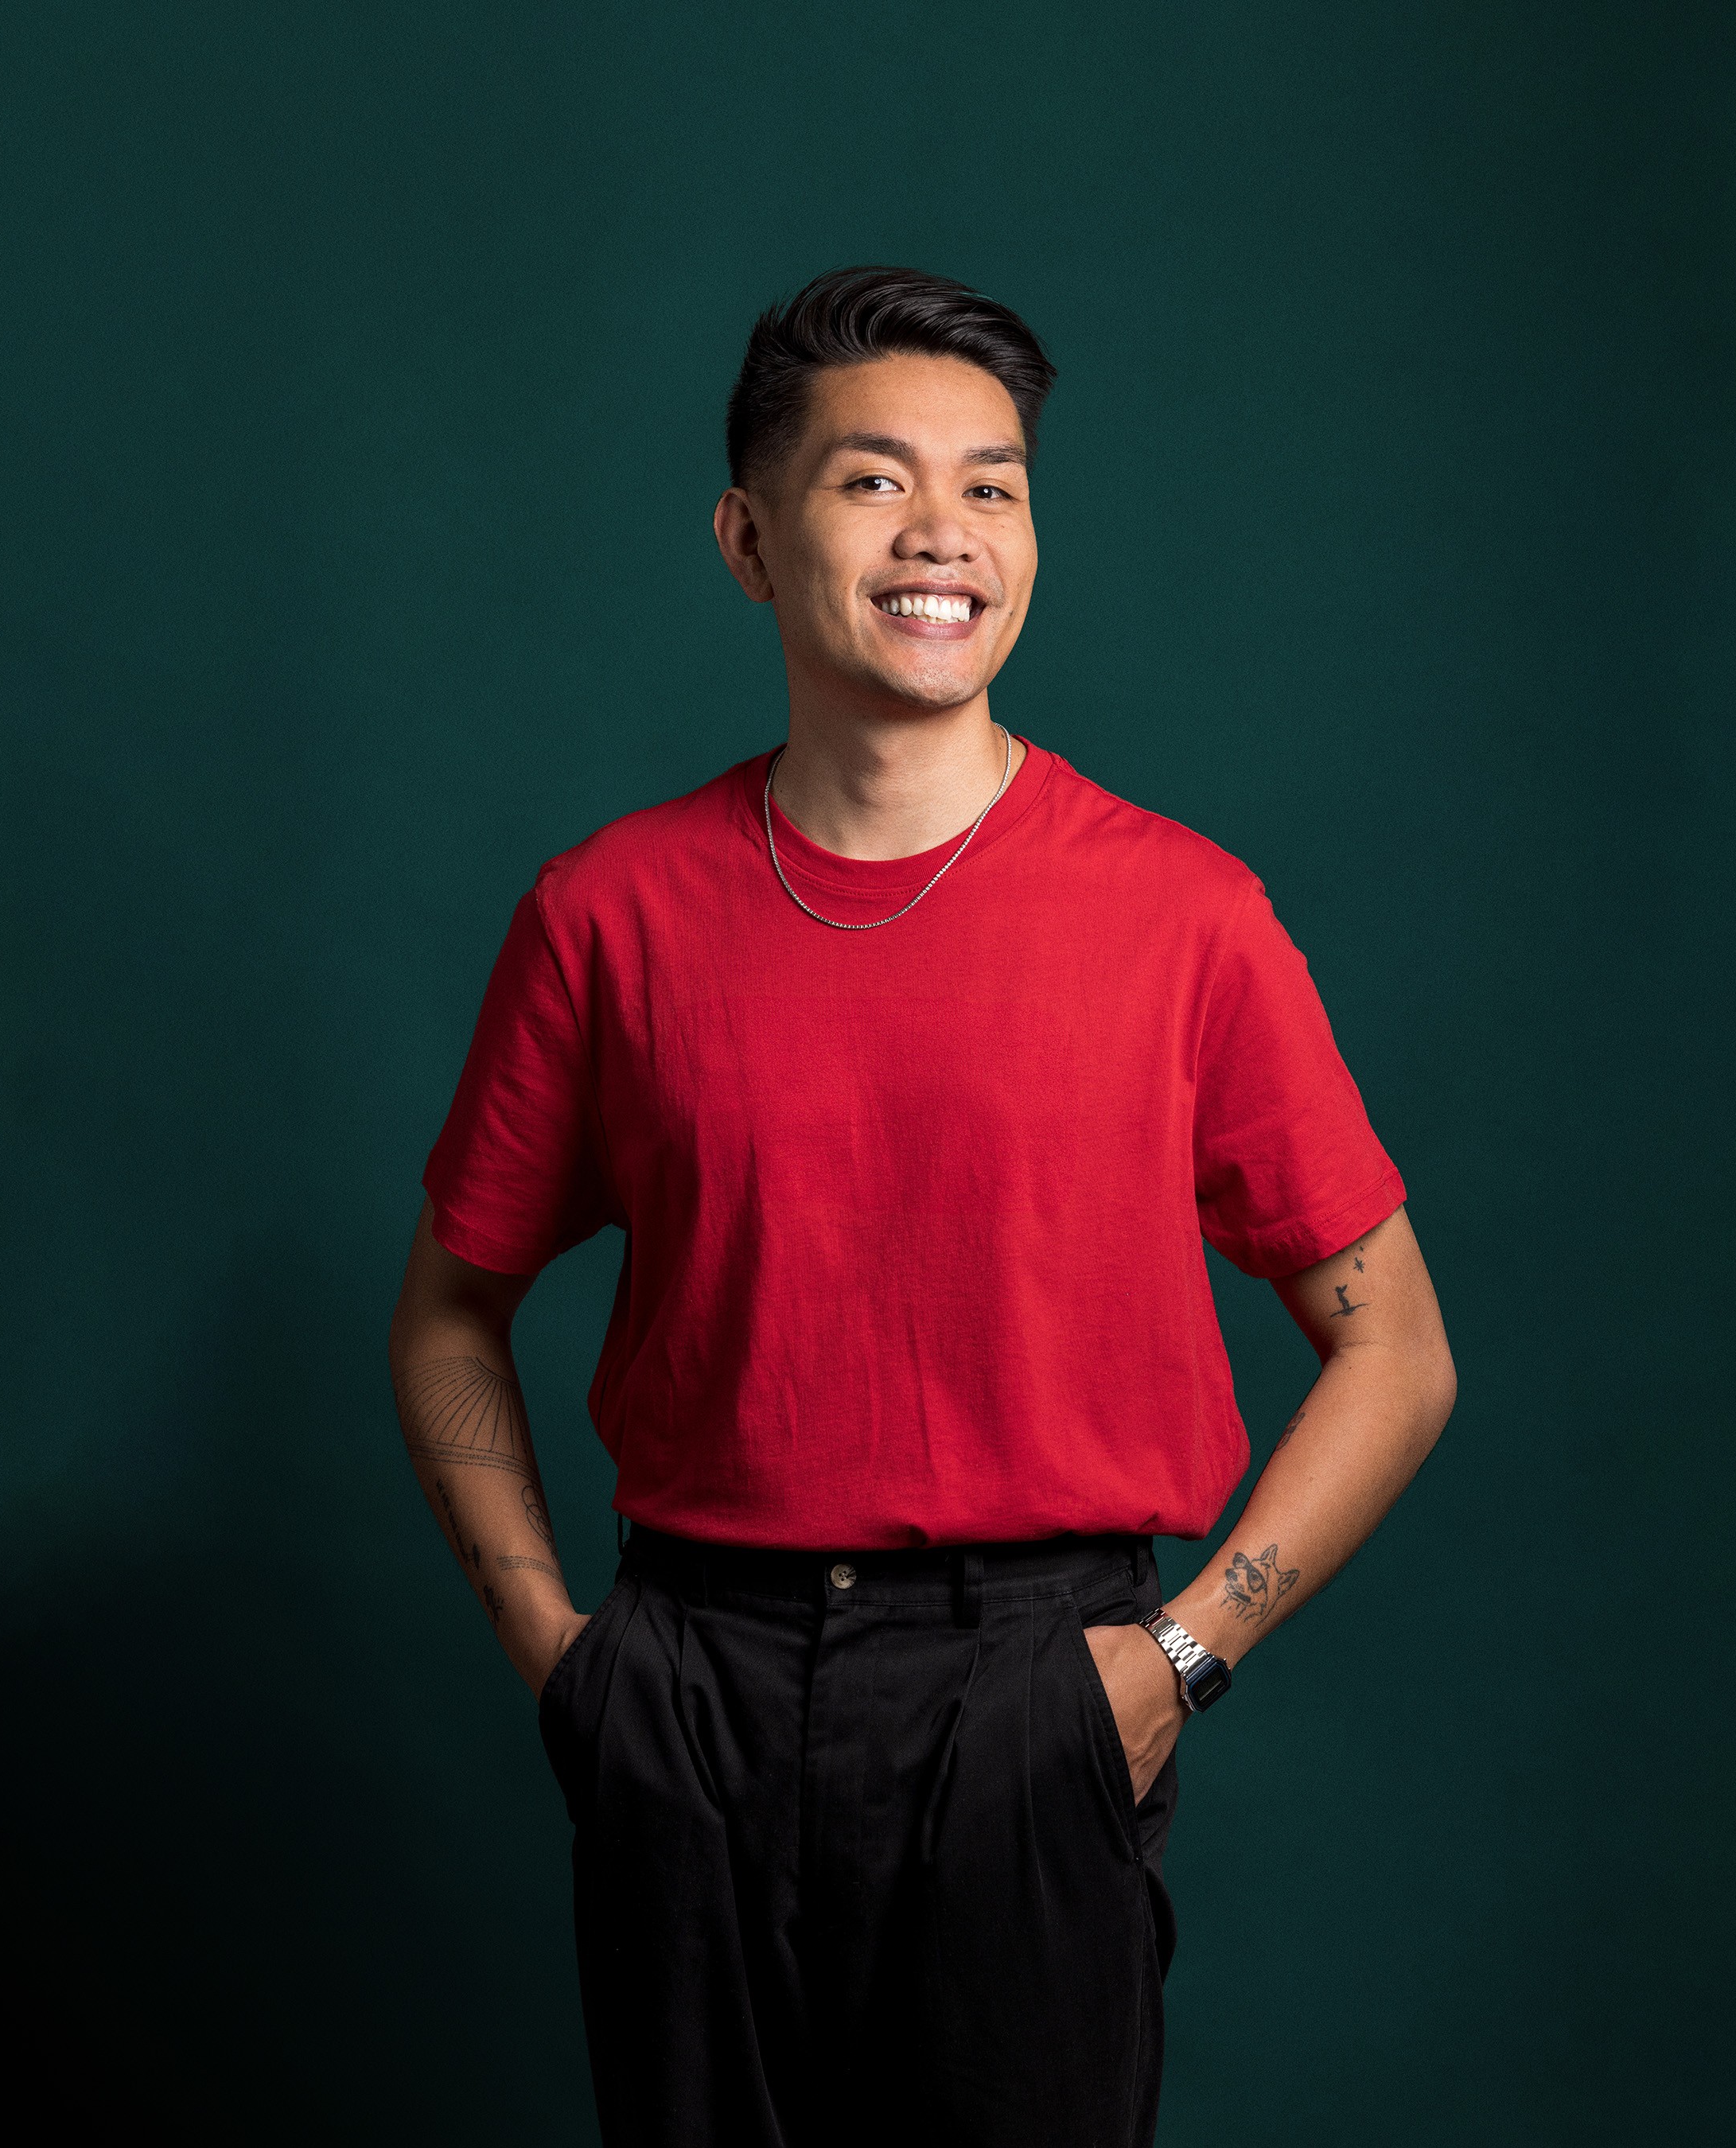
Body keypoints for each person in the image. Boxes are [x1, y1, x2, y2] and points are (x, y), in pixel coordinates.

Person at [388, 265, 1456, 2148]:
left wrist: (1178, 1659)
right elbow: (447, 1311)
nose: (946, 532)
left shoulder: (1182, 915)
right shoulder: (608, 914)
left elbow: (1398, 1349)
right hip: (690, 1687)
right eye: (873, 480)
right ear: (747, 537)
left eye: (997, 482)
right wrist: (564, 1662)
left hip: (1033, 1688)